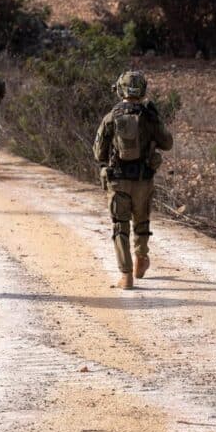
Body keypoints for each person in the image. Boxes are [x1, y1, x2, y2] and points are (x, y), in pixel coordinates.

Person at [93, 70, 174, 290]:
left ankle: (126, 275)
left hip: (118, 181)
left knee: (120, 227)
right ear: (143, 89)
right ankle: (141, 258)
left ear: (120, 89)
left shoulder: (112, 116)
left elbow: (98, 152)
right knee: (142, 221)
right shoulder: (149, 116)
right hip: (144, 180)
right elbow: (167, 143)